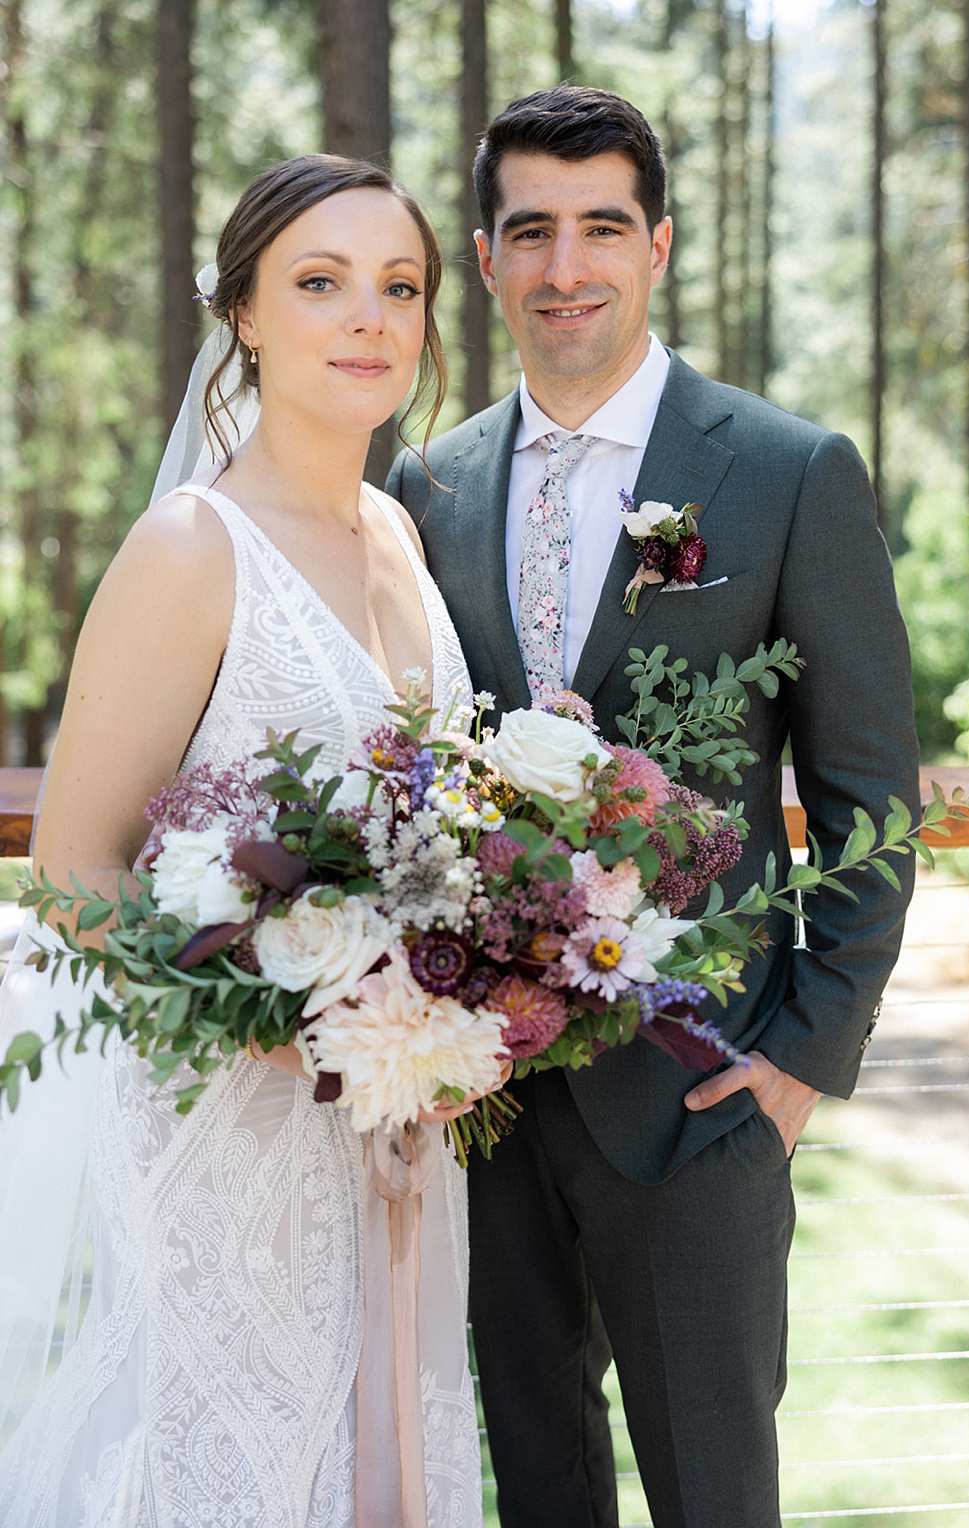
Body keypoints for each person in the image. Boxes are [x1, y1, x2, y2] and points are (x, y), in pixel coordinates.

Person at [388, 85, 920, 1528]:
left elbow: (869, 789)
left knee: (714, 1498)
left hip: (703, 1097)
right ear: (487, 260)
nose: (567, 267)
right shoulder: (422, 489)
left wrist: (802, 1061)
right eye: (531, 232)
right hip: (484, 1104)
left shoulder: (789, 473)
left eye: (603, 228)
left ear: (661, 245)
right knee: (535, 1489)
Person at [0, 155, 485, 1527]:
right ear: (248, 316)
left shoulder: (400, 535)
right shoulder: (190, 546)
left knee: (389, 1457)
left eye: (400, 287)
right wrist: (278, 1023)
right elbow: (77, 869)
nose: (369, 317)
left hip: (402, 1126)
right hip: (230, 1121)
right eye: (321, 283)